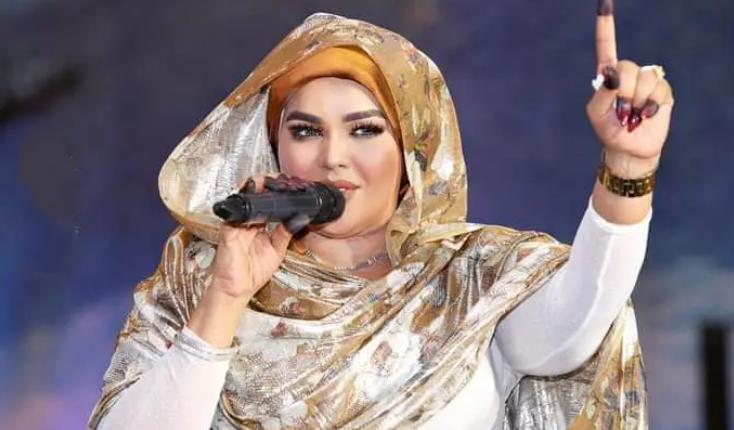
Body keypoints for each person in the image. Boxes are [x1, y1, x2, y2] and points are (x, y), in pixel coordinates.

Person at [88, 4, 673, 430]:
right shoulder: (199, 276)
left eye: (364, 130)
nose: (332, 157)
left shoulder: (470, 277)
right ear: (275, 150)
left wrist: (629, 166)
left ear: (414, 153)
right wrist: (225, 299)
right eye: (305, 131)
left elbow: (573, 331)